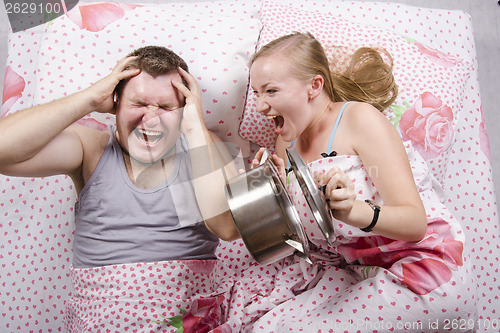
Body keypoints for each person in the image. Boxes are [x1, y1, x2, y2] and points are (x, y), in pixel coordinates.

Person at [241, 32, 476, 332]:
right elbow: (298, 244)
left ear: (314, 86)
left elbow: (415, 223)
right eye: (257, 94)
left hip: (424, 268)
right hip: (358, 274)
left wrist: (355, 211)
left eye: (271, 91)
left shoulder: (359, 120)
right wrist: (269, 194)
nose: (260, 106)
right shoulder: (284, 149)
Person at [0, 45, 239, 331]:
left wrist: (195, 127)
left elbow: (227, 228)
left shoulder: (204, 143)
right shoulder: (91, 148)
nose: (150, 118)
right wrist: (88, 99)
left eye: (165, 107)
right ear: (115, 104)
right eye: (138, 104)